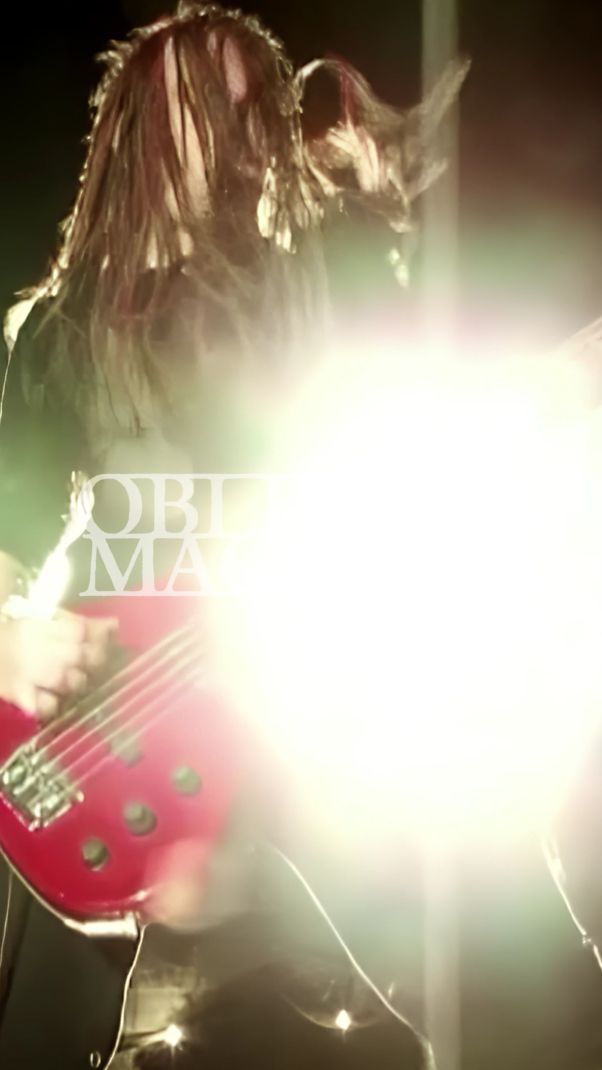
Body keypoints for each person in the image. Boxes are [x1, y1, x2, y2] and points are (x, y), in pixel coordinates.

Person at [0, 4, 462, 1067]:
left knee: (424, 1006)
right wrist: (11, 642)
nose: (248, 134)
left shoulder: (309, 297)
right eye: (218, 105)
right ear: (147, 123)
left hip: (281, 728)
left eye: (259, 110)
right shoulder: (63, 330)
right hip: (101, 746)